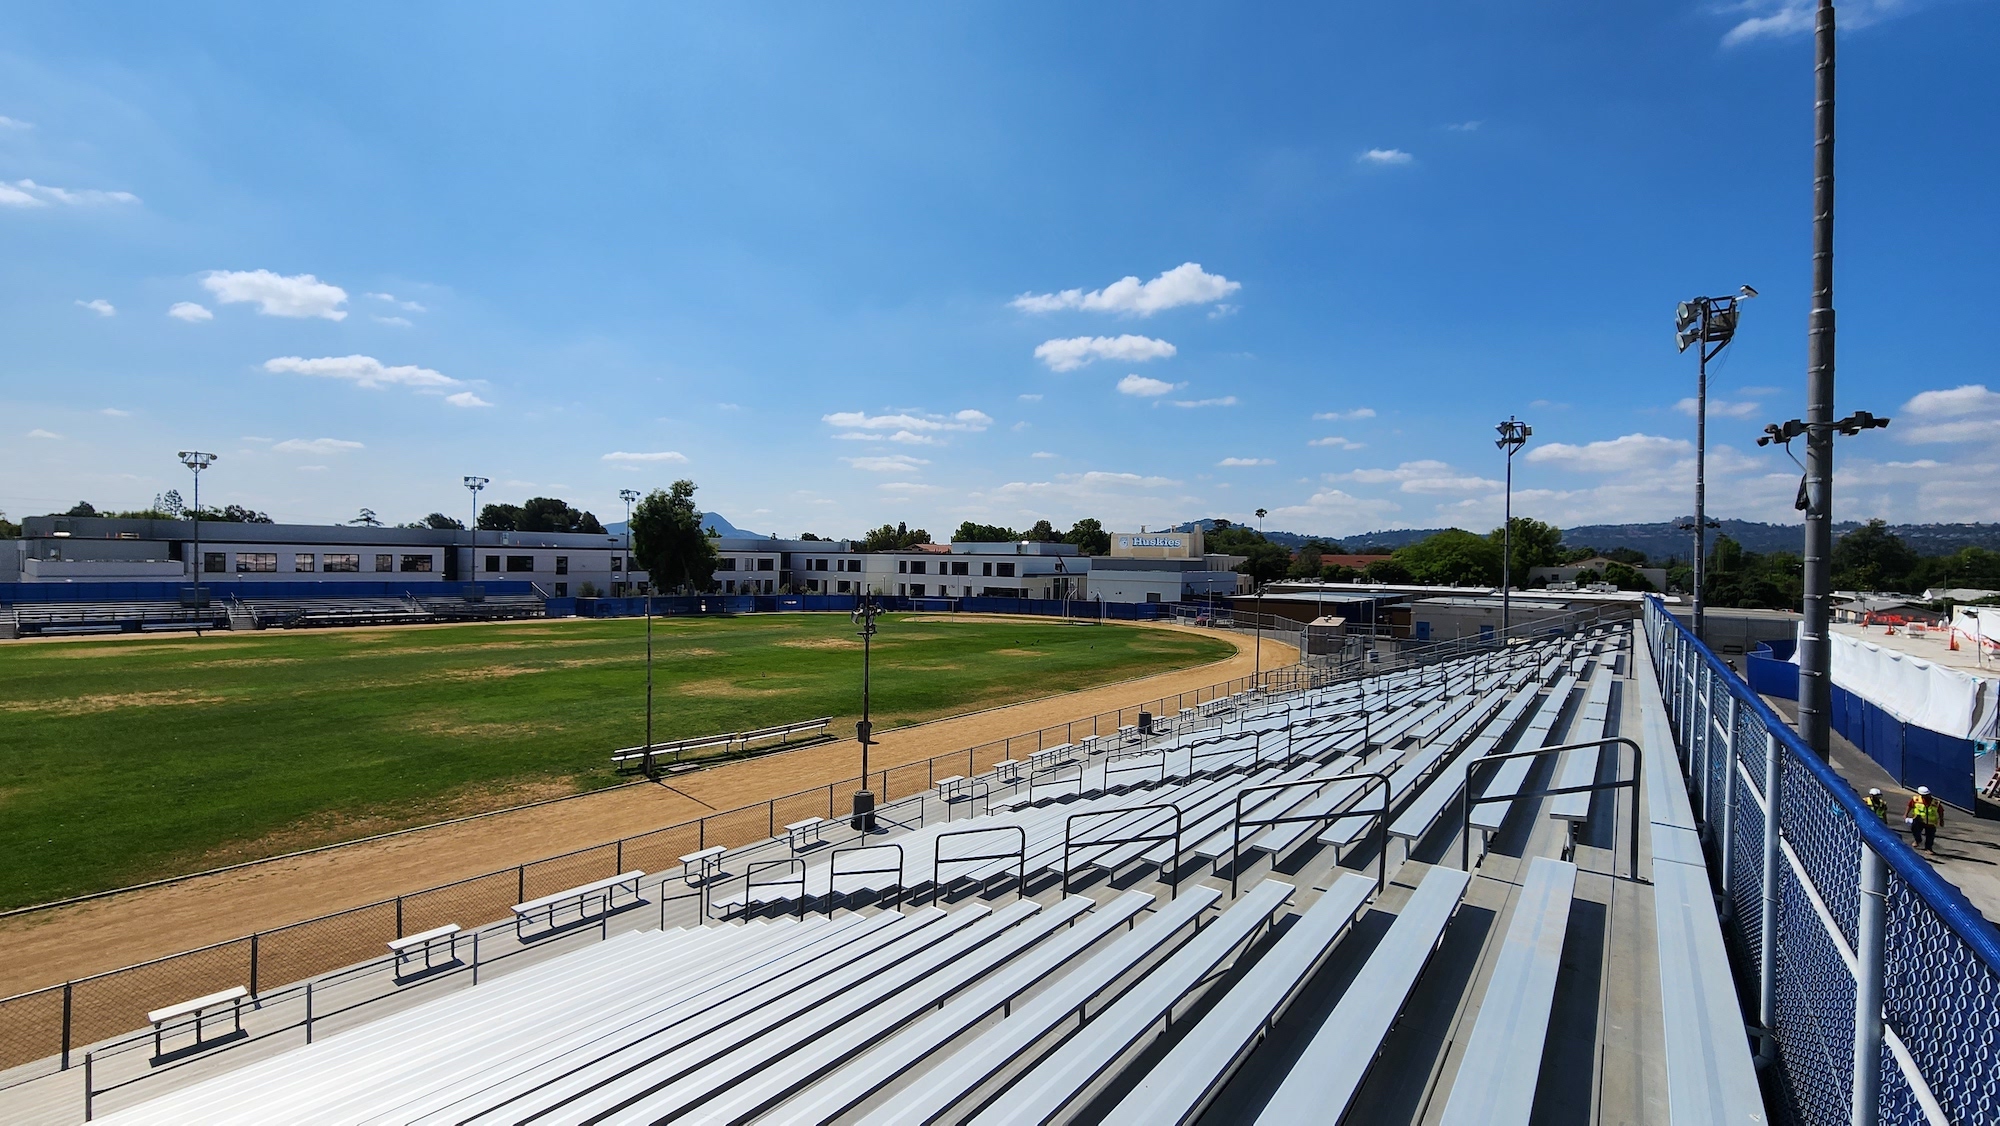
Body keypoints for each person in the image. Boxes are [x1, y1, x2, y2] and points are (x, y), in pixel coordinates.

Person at [1905, 786, 1944, 853]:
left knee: (1930, 836)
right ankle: (1918, 840)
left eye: (1927, 795)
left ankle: (1928, 848)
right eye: (1925, 795)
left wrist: (1941, 820)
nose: (1927, 796)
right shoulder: (1916, 799)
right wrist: (1906, 814)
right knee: (1915, 830)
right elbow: (1910, 806)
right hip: (1918, 820)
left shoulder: (1935, 803)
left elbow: (1940, 811)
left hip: (1930, 823)